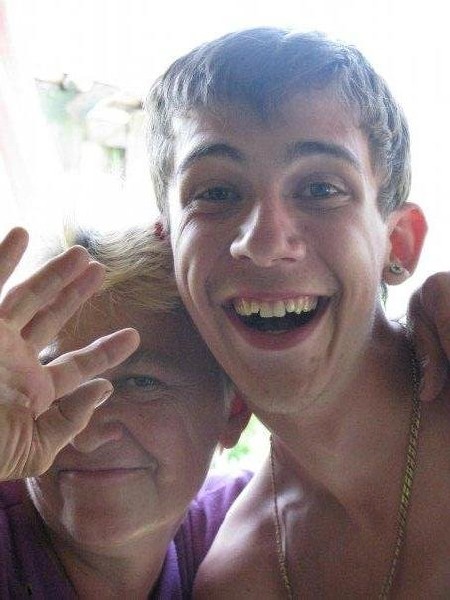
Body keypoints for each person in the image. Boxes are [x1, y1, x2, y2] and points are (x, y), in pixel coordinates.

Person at [145, 28, 450, 597]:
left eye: (321, 188)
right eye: (216, 193)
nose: (263, 242)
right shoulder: (237, 578)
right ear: (170, 256)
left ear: (399, 243)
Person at [0, 226, 250, 598]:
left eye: (141, 383)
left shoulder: (257, 530)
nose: (86, 435)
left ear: (234, 410)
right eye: (55, 386)